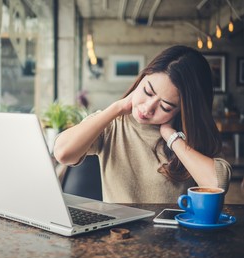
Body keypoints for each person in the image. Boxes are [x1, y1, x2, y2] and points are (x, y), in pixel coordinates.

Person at [54, 45, 232, 203]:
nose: (147, 108)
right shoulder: (114, 123)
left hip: (174, 238)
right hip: (120, 236)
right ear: (141, 78)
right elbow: (63, 153)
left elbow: (217, 185)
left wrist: (172, 138)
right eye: (147, 91)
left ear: (183, 111)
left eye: (165, 106)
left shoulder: (189, 136)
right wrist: (116, 107)